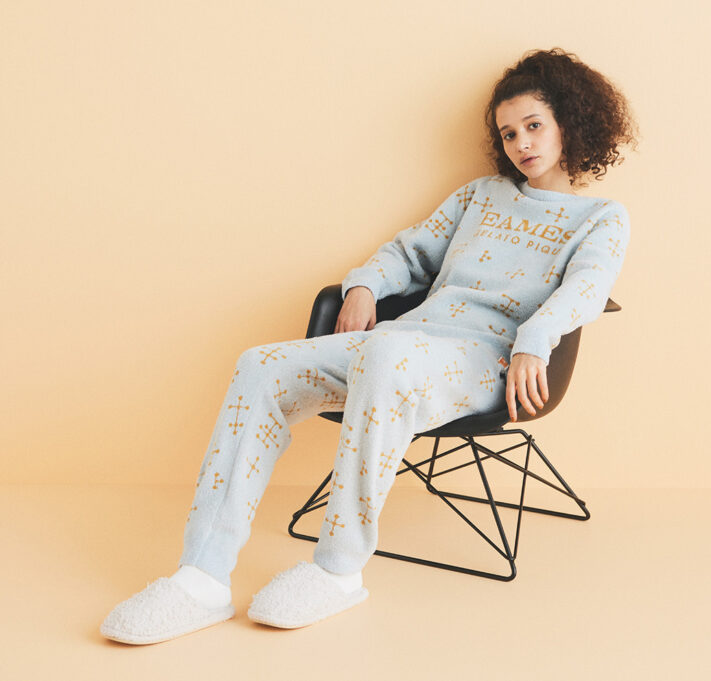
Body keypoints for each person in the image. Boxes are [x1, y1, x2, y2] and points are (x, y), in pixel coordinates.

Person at [100, 46, 639, 645]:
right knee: (259, 367)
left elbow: (586, 291)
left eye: (534, 125)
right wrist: (362, 286)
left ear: (572, 119)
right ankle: (200, 580)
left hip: (491, 360)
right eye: (509, 133)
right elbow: (409, 251)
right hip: (404, 347)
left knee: (385, 356)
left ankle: (337, 571)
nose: (521, 144)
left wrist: (535, 340)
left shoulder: (601, 218)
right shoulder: (480, 195)